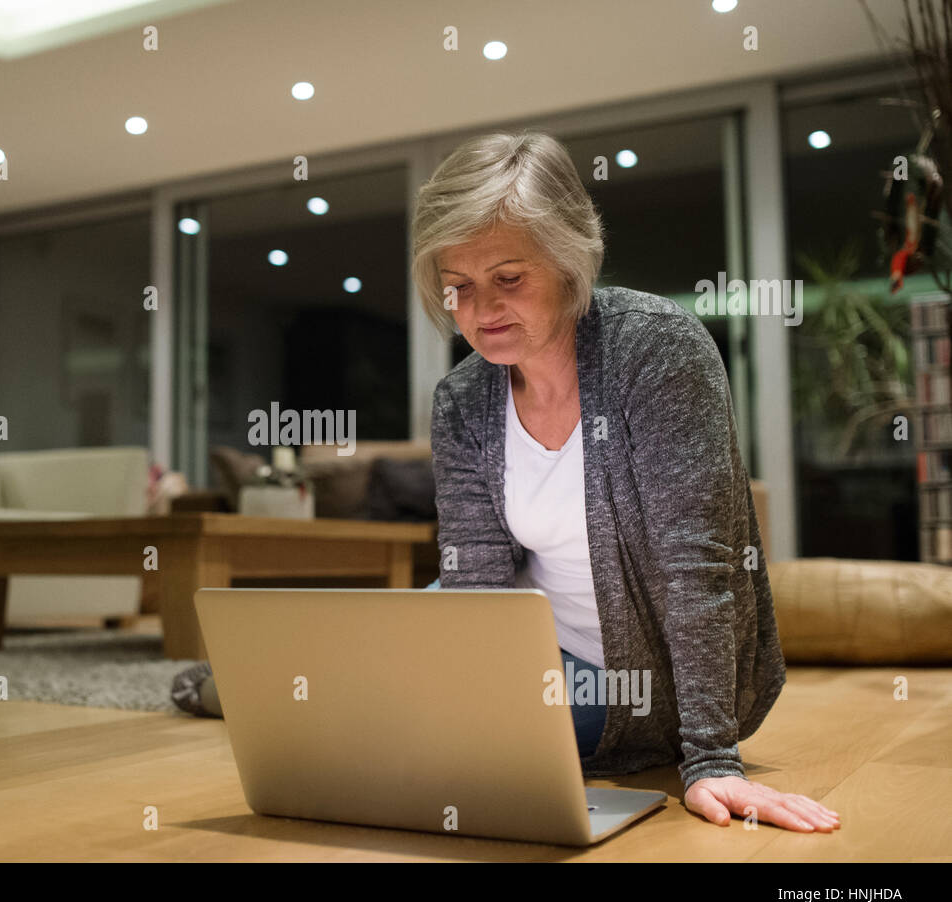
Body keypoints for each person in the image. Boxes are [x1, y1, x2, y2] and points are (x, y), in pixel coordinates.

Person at [173, 130, 840, 834]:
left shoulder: (658, 350)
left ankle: (252, 694)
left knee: (391, 709)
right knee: (384, 644)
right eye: (457, 287)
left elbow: (695, 570)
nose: (480, 310)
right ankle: (249, 690)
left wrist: (711, 760)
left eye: (509, 278)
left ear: (569, 258)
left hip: (639, 683)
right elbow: (479, 588)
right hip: (523, 636)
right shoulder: (463, 399)